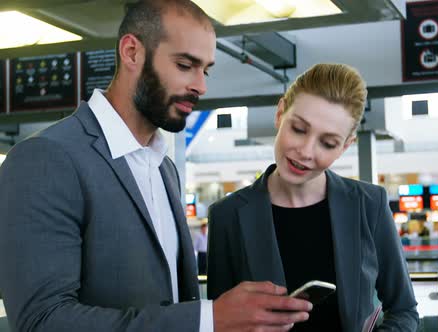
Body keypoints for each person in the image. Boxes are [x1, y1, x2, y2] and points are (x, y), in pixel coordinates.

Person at [0, 1, 312, 331]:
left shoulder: (164, 168)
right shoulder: (46, 159)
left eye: (205, 70)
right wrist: (209, 318)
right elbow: (42, 322)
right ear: (132, 52)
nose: (200, 86)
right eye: (184, 65)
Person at [207, 63, 419, 331]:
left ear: (345, 146)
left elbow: (403, 310)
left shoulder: (369, 204)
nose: (306, 151)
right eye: (298, 129)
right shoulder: (228, 215)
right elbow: (220, 321)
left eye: (328, 143)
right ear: (280, 113)